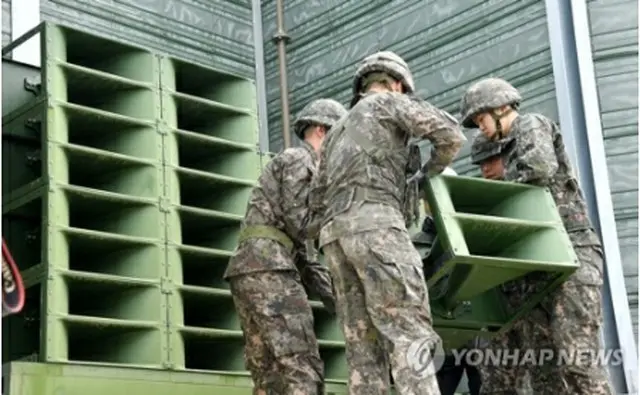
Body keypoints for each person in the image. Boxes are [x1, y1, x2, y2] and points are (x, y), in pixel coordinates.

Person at [308, 50, 466, 395]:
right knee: (409, 334)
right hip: (378, 227)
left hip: (335, 242)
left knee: (363, 350)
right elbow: (451, 134)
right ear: (396, 84)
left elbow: (314, 205)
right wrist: (429, 172)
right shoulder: (388, 104)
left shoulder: (335, 133)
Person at [460, 77, 613, 395]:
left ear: (501, 108)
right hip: (539, 265)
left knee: (578, 359)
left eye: (482, 119)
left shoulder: (530, 125)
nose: (481, 127)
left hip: (572, 254)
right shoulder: (508, 152)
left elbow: (539, 168)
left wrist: (490, 196)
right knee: (546, 372)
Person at [224, 98, 347, 395]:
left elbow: (307, 259)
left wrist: (343, 307)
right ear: (321, 130)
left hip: (253, 270)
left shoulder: (296, 162)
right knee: (301, 365)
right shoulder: (300, 159)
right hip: (271, 270)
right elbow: (301, 222)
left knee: (268, 373)